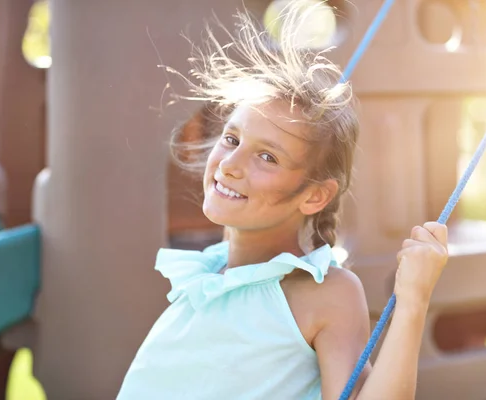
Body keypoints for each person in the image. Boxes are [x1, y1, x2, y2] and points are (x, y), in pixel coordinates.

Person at [117, 2, 449, 399]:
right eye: (231, 138)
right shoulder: (205, 276)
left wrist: (412, 301)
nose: (231, 164)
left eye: (267, 157)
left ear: (314, 195)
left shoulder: (324, 294)